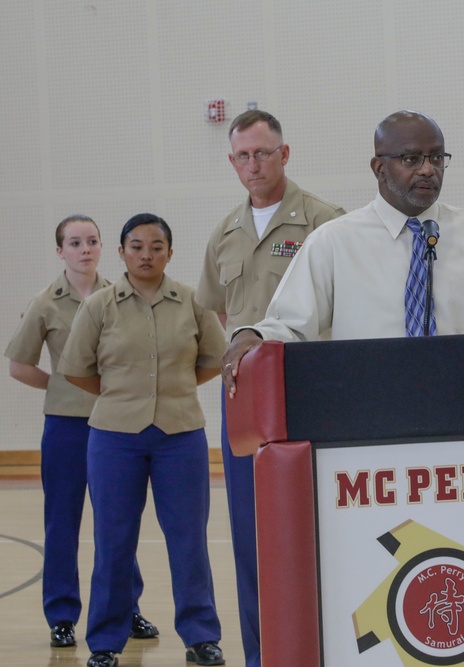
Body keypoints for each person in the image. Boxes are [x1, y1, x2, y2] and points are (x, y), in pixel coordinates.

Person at [222, 110, 464, 392]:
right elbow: (289, 325)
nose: (427, 169)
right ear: (379, 167)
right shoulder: (334, 242)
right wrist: (250, 336)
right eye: (411, 158)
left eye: (436, 158)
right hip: (373, 411)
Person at [195, 109, 346, 667]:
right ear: (231, 161)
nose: (253, 164)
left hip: (309, 391)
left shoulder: (327, 224)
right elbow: (216, 308)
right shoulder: (225, 234)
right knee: (250, 534)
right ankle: (263, 656)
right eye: (242, 155)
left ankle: (324, 650)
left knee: (317, 529)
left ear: (285, 154)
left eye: (263, 153)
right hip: (245, 397)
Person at [60, 214, 229, 667]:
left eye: (156, 246)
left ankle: (201, 637)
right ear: (121, 252)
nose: (146, 254)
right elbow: (77, 367)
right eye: (136, 246)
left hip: (181, 436)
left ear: (170, 253)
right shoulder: (99, 306)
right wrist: (124, 396)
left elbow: (214, 359)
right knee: (113, 541)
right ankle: (104, 643)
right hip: (114, 439)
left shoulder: (192, 302)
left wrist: (168, 392)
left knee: (189, 541)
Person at [4, 215, 158, 649]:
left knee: (117, 522)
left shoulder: (121, 296)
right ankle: (62, 615)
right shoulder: (46, 303)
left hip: (116, 426)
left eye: (92, 241)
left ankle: (125, 610)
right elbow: (18, 364)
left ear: (103, 248)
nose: (84, 249)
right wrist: (62, 386)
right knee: (63, 521)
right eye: (74, 242)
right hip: (67, 430)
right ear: (60, 252)